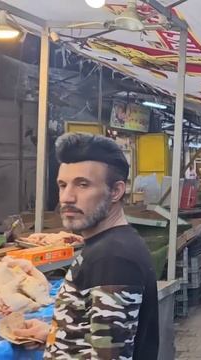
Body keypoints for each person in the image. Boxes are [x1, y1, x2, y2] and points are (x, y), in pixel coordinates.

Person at [13, 133, 158, 359]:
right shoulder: (107, 244)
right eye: (63, 185)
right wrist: (55, 335)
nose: (67, 197)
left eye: (82, 184)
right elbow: (95, 336)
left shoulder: (113, 257)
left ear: (116, 191)